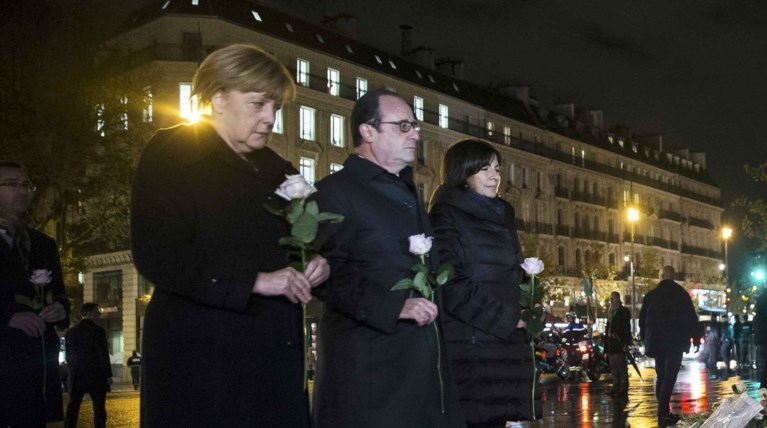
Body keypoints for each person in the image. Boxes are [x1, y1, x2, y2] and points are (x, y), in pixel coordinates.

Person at [130, 44, 329, 427]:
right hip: (202, 362)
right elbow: (157, 253)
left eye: (276, 107)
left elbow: (315, 238)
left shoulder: (280, 169)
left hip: (273, 363)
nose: (271, 118)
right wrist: (256, 281)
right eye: (258, 104)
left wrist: (319, 264)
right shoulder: (173, 151)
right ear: (218, 98)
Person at [312, 89, 465, 427]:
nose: (415, 134)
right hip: (371, 377)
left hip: (420, 373)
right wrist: (393, 305)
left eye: (415, 126)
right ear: (368, 132)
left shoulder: (404, 191)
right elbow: (321, 274)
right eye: (403, 126)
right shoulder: (335, 192)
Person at [428, 139, 533, 426]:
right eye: (484, 168)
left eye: (497, 168)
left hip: (504, 341)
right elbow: (450, 283)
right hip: (472, 343)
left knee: (499, 418)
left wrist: (529, 295)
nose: (494, 176)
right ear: (463, 173)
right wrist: (505, 319)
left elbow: (508, 271)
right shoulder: (447, 215)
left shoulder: (501, 214)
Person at [0, 161, 70, 428]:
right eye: (11, 184)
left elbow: (59, 294)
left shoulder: (43, 245)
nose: (22, 191)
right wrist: (8, 318)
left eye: (26, 185)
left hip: (35, 370)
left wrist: (61, 309)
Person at [639, 265, 699, 427]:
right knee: (670, 375)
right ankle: (663, 411)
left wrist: (645, 338)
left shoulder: (651, 295)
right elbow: (692, 319)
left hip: (657, 341)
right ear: (672, 276)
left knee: (661, 374)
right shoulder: (681, 294)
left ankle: (663, 409)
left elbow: (642, 320)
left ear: (661, 276)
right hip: (675, 342)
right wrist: (696, 338)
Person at [65, 303, 112, 428]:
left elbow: (68, 356)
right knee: (99, 407)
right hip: (95, 375)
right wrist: (108, 375)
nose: (99, 314)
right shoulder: (98, 331)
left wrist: (71, 373)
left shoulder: (71, 332)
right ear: (90, 314)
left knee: (73, 407)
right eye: (97, 312)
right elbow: (103, 354)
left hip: (77, 375)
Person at [605, 291, 631, 398]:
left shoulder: (623, 311)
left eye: (613, 298)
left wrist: (625, 343)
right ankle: (616, 387)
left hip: (619, 343)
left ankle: (623, 388)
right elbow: (608, 329)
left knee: (621, 367)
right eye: (610, 299)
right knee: (614, 368)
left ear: (618, 299)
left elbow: (626, 328)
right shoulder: (610, 312)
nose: (612, 301)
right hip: (611, 344)